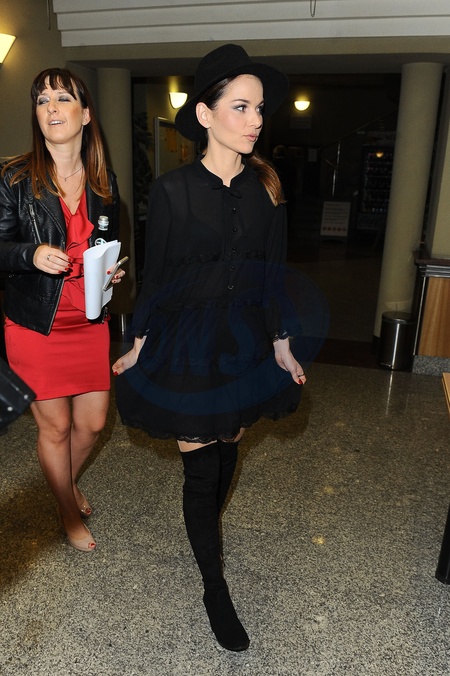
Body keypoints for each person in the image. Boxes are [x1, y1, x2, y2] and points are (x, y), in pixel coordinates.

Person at [112, 44, 305, 651]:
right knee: (200, 468)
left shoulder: (267, 190)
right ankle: (214, 588)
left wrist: (282, 344)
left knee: (227, 449)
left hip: (243, 342)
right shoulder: (172, 191)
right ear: (205, 114)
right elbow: (159, 276)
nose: (255, 120)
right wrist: (138, 342)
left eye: (259, 108)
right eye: (241, 107)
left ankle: (207, 535)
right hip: (187, 344)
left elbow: (273, 276)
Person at [0, 68, 122, 553]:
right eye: (42, 100)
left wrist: (111, 272)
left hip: (89, 318)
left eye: (63, 98)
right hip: (36, 322)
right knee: (56, 427)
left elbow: (108, 244)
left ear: (85, 114)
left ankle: (63, 484)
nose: (51, 107)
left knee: (91, 425)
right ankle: (67, 512)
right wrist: (29, 254)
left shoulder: (103, 181)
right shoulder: (14, 178)